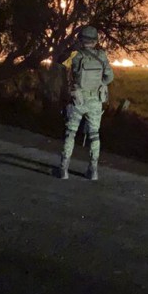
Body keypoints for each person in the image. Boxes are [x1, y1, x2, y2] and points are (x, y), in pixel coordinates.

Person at [58, 25, 114, 181]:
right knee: (94, 135)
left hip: (78, 100)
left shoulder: (74, 55)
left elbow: (60, 64)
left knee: (70, 133)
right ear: (95, 41)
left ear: (81, 40)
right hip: (95, 101)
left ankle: (63, 170)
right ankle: (93, 171)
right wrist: (99, 84)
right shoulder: (101, 56)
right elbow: (109, 78)